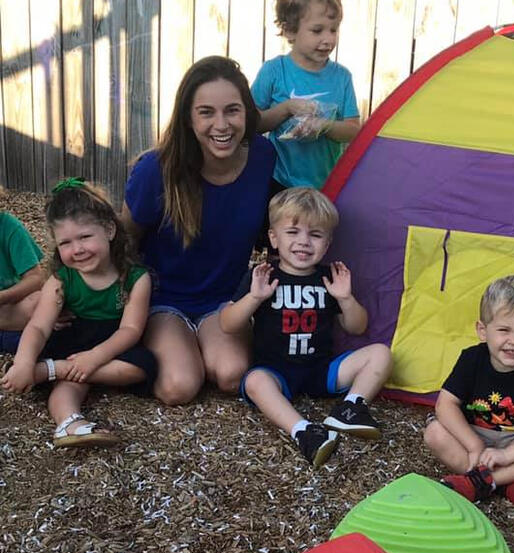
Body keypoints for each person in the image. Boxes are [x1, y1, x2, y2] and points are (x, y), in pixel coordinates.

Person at [121, 56, 276, 405]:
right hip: (164, 298)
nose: (221, 125)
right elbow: (125, 240)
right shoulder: (156, 170)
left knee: (231, 373)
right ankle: (171, 347)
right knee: (179, 387)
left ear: (247, 113)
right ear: (188, 118)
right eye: (206, 112)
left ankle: (196, 347)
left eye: (232, 110)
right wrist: (124, 308)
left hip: (222, 300)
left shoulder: (263, 157)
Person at [219, 187, 392, 467]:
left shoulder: (329, 277)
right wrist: (254, 297)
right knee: (254, 381)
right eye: (292, 232)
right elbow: (227, 324)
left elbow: (357, 327)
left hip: (321, 370)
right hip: (277, 371)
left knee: (381, 353)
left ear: (327, 243)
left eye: (315, 235)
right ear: (274, 238)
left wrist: (345, 298)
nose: (304, 242)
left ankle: (350, 408)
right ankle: (304, 431)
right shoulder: (263, 276)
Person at [1, 179, 156, 447]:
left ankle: (50, 370)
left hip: (111, 344)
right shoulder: (62, 279)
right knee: (70, 384)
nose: (78, 250)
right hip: (73, 340)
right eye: (66, 243)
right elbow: (38, 326)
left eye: (85, 237)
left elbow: (130, 330)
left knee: (139, 369)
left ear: (109, 230)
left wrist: (94, 358)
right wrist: (25, 361)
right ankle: (68, 422)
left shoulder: (135, 279)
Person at [423, 276, 514, 508]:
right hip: (475, 435)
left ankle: (483, 481)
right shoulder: (471, 359)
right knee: (434, 432)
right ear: (483, 330)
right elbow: (445, 405)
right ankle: (506, 482)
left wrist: (507, 456)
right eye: (504, 330)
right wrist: (474, 446)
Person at [252, 0, 361, 191]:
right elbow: (252, 123)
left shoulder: (342, 77)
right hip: (278, 182)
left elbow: (353, 131)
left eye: (334, 29)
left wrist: (324, 126)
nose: (328, 39)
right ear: (290, 31)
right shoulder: (274, 71)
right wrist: (287, 108)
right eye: (317, 30)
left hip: (327, 185)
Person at [0, 210, 44, 351]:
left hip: (10, 306)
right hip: (9, 318)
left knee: (41, 302)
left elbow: (35, 278)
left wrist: (4, 297)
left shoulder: (9, 226)